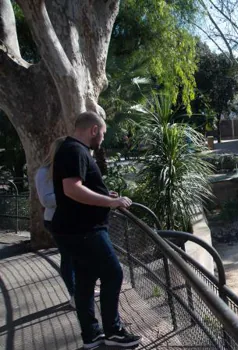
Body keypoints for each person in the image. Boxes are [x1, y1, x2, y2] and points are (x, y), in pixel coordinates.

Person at [52, 111, 141, 349]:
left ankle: (91, 335)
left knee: (85, 281)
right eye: (101, 134)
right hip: (84, 230)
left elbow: (80, 188)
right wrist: (111, 202)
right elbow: (72, 189)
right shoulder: (75, 151)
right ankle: (113, 331)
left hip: (73, 229)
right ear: (93, 130)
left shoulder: (72, 150)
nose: (102, 139)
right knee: (113, 273)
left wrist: (103, 194)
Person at [35, 136, 101, 308]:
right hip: (56, 220)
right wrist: (71, 194)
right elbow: (45, 200)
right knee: (68, 258)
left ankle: (82, 290)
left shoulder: (67, 169)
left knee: (80, 258)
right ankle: (74, 294)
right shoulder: (43, 173)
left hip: (73, 220)